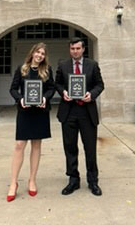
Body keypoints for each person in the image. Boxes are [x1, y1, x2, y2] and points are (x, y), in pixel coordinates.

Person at [55, 37, 104, 196]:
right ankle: (73, 180)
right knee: (70, 147)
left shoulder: (92, 65)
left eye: (77, 48)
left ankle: (93, 181)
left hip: (87, 112)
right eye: (72, 49)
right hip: (69, 112)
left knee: (90, 148)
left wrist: (92, 95)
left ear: (83, 49)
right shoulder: (63, 65)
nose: (75, 51)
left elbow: (100, 84)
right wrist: (63, 93)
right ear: (69, 50)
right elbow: (58, 83)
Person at [7, 42, 55, 202]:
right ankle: (13, 183)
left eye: (43, 54)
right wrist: (20, 99)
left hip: (40, 112)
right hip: (25, 112)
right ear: (32, 52)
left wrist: (44, 98)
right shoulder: (22, 69)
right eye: (38, 52)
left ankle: (32, 180)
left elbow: (51, 88)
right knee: (19, 145)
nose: (40, 55)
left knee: (36, 145)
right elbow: (13, 89)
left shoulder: (47, 71)